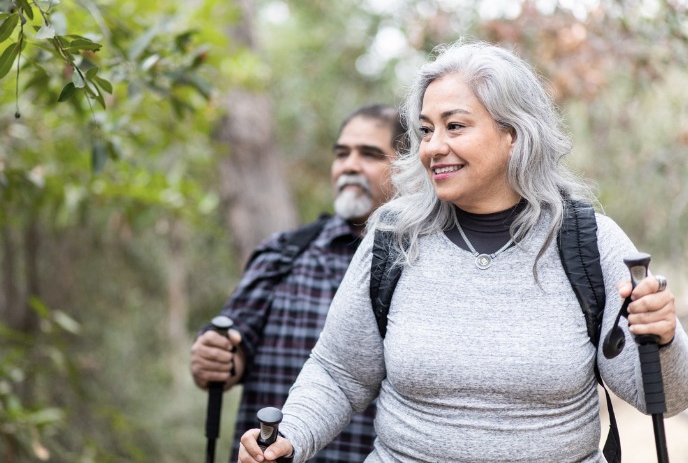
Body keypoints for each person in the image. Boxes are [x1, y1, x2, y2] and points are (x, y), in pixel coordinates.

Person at [238, 40, 688, 462]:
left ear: (514, 133)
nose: (433, 147)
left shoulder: (588, 241)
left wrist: (664, 338)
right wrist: (290, 436)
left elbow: (664, 398)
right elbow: (340, 373)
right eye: (426, 130)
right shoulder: (394, 236)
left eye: (454, 126)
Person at [191, 104, 407, 462]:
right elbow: (233, 350)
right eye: (342, 154)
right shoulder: (283, 253)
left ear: (405, 167)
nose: (349, 165)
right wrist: (214, 356)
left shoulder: (419, 266)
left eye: (369, 154)